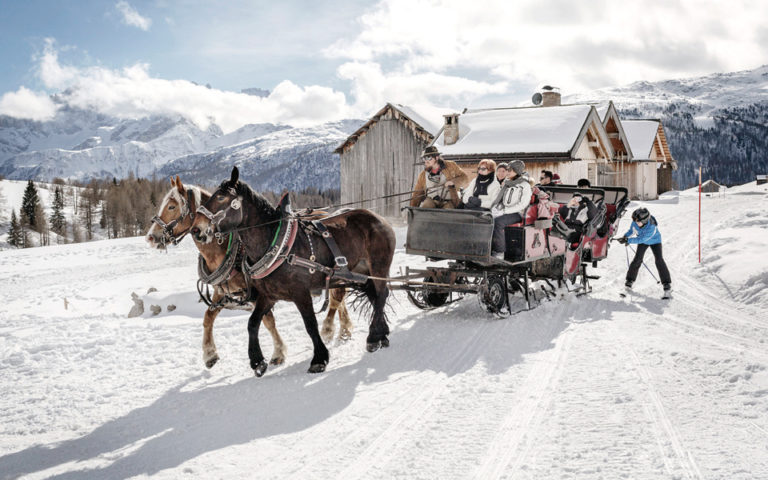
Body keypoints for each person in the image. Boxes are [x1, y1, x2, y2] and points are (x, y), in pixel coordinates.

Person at [617, 207, 672, 296]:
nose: (635, 222)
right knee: (637, 259)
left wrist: (629, 240)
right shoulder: (636, 221)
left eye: (637, 221)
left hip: (655, 241)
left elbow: (641, 239)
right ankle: (629, 281)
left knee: (659, 260)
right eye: (634, 220)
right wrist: (625, 237)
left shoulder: (652, 227)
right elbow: (632, 231)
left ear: (645, 220)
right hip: (643, 241)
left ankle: (667, 284)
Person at [489, 160, 532, 258]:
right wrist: (495, 208)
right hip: (504, 211)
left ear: (517, 171)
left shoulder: (525, 186)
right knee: (486, 218)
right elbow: (500, 199)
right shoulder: (507, 184)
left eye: (510, 170)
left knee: (498, 222)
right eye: (508, 170)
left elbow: (523, 204)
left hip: (517, 213)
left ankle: (499, 252)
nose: (507, 172)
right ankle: (487, 248)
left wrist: (504, 211)